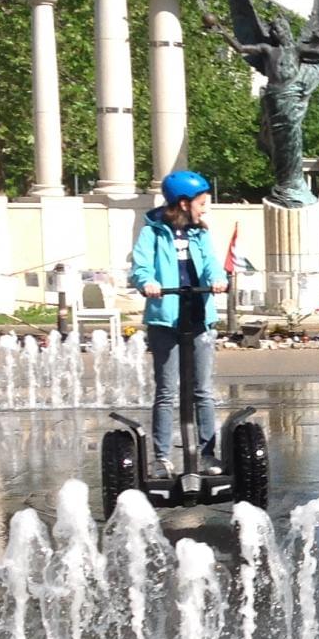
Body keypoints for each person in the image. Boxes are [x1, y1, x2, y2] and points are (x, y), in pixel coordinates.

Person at [129, 169, 228, 478]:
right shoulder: (153, 232)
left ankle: (207, 455)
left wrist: (218, 279)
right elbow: (140, 266)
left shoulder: (201, 233)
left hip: (199, 316)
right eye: (201, 202)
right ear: (183, 204)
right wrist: (147, 282)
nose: (205, 207)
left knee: (203, 391)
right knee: (166, 391)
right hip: (165, 318)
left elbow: (212, 263)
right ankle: (161, 458)